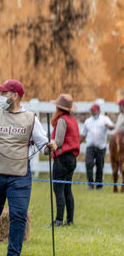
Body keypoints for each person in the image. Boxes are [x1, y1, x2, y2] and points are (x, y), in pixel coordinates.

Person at [0, 79, 56, 256]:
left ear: (15, 95)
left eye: (4, 93)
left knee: (19, 215)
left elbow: (42, 145)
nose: (0, 96)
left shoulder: (31, 118)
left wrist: (50, 147)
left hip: (19, 175)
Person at [50, 94, 80, 226]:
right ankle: (70, 220)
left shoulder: (62, 120)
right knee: (67, 189)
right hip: (72, 158)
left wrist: (50, 145)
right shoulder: (72, 120)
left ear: (58, 107)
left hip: (61, 158)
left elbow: (59, 141)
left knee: (58, 188)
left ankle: (58, 220)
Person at [81, 104, 115, 190]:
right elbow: (83, 134)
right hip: (90, 146)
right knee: (89, 164)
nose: (92, 112)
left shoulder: (104, 119)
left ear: (98, 111)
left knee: (100, 165)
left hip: (100, 146)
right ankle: (90, 184)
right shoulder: (88, 121)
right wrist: (77, 143)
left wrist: (108, 126)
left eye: (94, 110)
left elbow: (112, 127)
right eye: (91, 110)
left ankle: (99, 185)